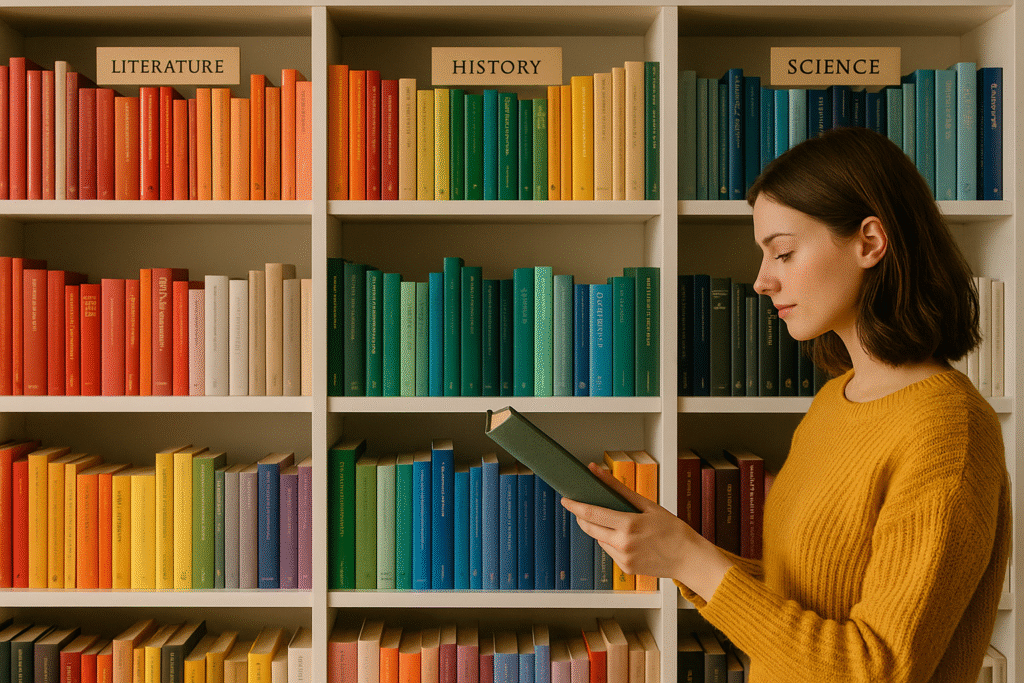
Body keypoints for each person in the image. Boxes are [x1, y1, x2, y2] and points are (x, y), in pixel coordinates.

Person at [561, 126, 1011, 683]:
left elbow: (878, 668)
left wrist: (688, 558)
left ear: (870, 242)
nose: (760, 281)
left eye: (785, 252)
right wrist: (676, 547)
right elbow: (802, 600)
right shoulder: (834, 400)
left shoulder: (950, 430)